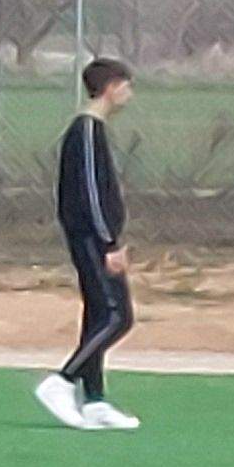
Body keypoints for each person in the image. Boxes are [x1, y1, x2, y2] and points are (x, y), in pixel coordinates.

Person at [38, 60, 138, 433]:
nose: (129, 93)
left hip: (96, 237)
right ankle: (62, 382)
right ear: (111, 87)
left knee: (98, 315)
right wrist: (109, 242)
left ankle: (94, 401)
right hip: (91, 238)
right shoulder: (85, 132)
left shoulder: (94, 131)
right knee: (117, 316)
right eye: (126, 85)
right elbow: (92, 194)